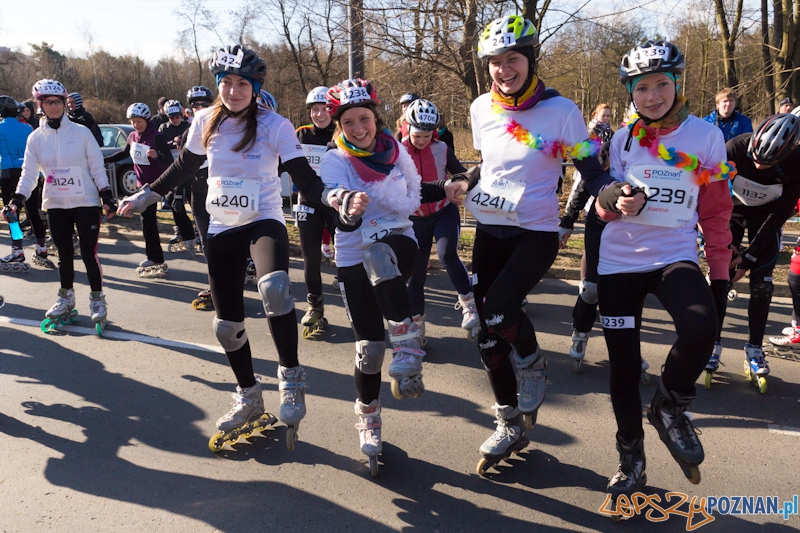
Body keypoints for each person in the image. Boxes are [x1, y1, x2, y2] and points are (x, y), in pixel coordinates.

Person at [118, 45, 331, 452]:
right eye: (227, 83)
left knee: (275, 289)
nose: (234, 90)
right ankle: (248, 395)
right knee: (225, 324)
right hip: (221, 227)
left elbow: (305, 176)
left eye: (242, 84)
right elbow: (184, 166)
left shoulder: (275, 125)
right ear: (219, 85)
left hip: (263, 221)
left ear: (255, 87)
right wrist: (146, 195)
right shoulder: (205, 120)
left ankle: (290, 378)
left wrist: (331, 198)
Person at [443, 15, 618, 475]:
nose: (504, 69)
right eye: (496, 62)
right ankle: (508, 422)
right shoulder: (482, 107)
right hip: (489, 226)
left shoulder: (560, 110)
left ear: (529, 59)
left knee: (500, 310)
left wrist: (608, 191)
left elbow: (591, 169)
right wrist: (463, 181)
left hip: (536, 231)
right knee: (484, 332)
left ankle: (534, 362)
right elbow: (488, 166)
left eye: (512, 59)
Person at [595, 40, 733, 502]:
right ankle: (630, 457)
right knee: (624, 367)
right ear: (629, 92)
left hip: (674, 256)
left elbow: (715, 214)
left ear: (677, 84)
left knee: (701, 329)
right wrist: (612, 200)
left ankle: (670, 405)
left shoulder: (706, 137)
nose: (652, 96)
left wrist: (721, 276)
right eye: (642, 88)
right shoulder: (623, 138)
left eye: (661, 85)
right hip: (619, 263)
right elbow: (603, 205)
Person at [321, 78, 451, 475]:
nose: (358, 128)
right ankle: (369, 416)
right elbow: (330, 197)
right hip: (350, 256)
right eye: (349, 123)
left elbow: (417, 192)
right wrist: (348, 205)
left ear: (375, 118)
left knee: (381, 255)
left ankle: (409, 346)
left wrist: (449, 186)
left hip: (398, 243)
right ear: (339, 126)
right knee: (369, 350)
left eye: (364, 119)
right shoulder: (335, 159)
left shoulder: (397, 152)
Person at [5, 79, 116, 334]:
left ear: (64, 103)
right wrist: (17, 199)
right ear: (40, 105)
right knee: (63, 254)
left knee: (89, 253)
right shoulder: (35, 138)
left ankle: (97, 299)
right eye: (48, 102)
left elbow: (96, 166)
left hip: (85, 202)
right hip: (55, 203)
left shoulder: (81, 132)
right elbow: (29, 174)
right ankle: (66, 297)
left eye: (58, 102)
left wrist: (106, 195)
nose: (54, 107)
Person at [709, 114, 800, 392]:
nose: (759, 165)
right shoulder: (734, 148)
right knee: (721, 280)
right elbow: (712, 195)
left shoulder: (796, 163)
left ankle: (755, 348)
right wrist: (727, 242)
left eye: (767, 163)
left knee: (762, 287)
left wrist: (749, 257)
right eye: (756, 159)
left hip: (766, 219)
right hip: (731, 213)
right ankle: (712, 343)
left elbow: (780, 215)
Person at [401, 98, 477, 345]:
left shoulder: (442, 148)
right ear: (407, 128)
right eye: (417, 136)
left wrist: (459, 183)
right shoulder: (398, 151)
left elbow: (461, 172)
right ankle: (418, 325)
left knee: (447, 255)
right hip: (416, 218)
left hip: (444, 211)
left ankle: (469, 305)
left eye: (427, 136)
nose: (422, 141)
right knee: (416, 274)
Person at [558, 102, 620, 372]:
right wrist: (567, 221)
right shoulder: (597, 163)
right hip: (599, 220)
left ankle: (626, 348)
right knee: (593, 287)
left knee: (625, 293)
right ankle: (580, 332)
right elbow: (582, 188)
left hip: (631, 229)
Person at [105, 103, 173, 277]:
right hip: (141, 186)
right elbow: (124, 153)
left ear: (147, 120)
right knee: (147, 222)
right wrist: (104, 159)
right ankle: (154, 256)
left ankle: (155, 257)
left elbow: (169, 161)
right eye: (133, 122)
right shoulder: (133, 136)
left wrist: (158, 156)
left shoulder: (157, 137)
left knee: (148, 222)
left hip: (156, 185)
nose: (136, 125)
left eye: (139, 121)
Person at [294, 86, 338, 338]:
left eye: (324, 109)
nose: (320, 114)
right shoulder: (301, 133)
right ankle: (314, 306)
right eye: (315, 110)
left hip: (335, 202)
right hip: (308, 201)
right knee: (311, 258)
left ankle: (353, 296)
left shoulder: (341, 131)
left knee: (344, 255)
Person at [0, 95, 53, 271]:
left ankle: (17, 249)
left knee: (12, 213)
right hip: (31, 173)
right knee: (33, 213)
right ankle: (41, 248)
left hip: (8, 173)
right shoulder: (28, 127)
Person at [183, 85, 215, 310]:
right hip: (197, 193)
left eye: (204, 106)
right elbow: (182, 167)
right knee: (206, 243)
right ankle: (215, 286)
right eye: (195, 107)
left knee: (222, 242)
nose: (199, 110)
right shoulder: (188, 133)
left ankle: (227, 283)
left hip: (220, 193)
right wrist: (180, 194)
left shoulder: (221, 130)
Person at [158, 99, 195, 255]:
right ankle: (182, 231)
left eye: (177, 117)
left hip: (189, 169)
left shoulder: (188, 126)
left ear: (181, 114)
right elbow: (160, 145)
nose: (175, 120)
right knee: (174, 201)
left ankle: (199, 230)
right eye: (171, 118)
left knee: (193, 201)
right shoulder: (163, 128)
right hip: (172, 169)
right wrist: (172, 143)